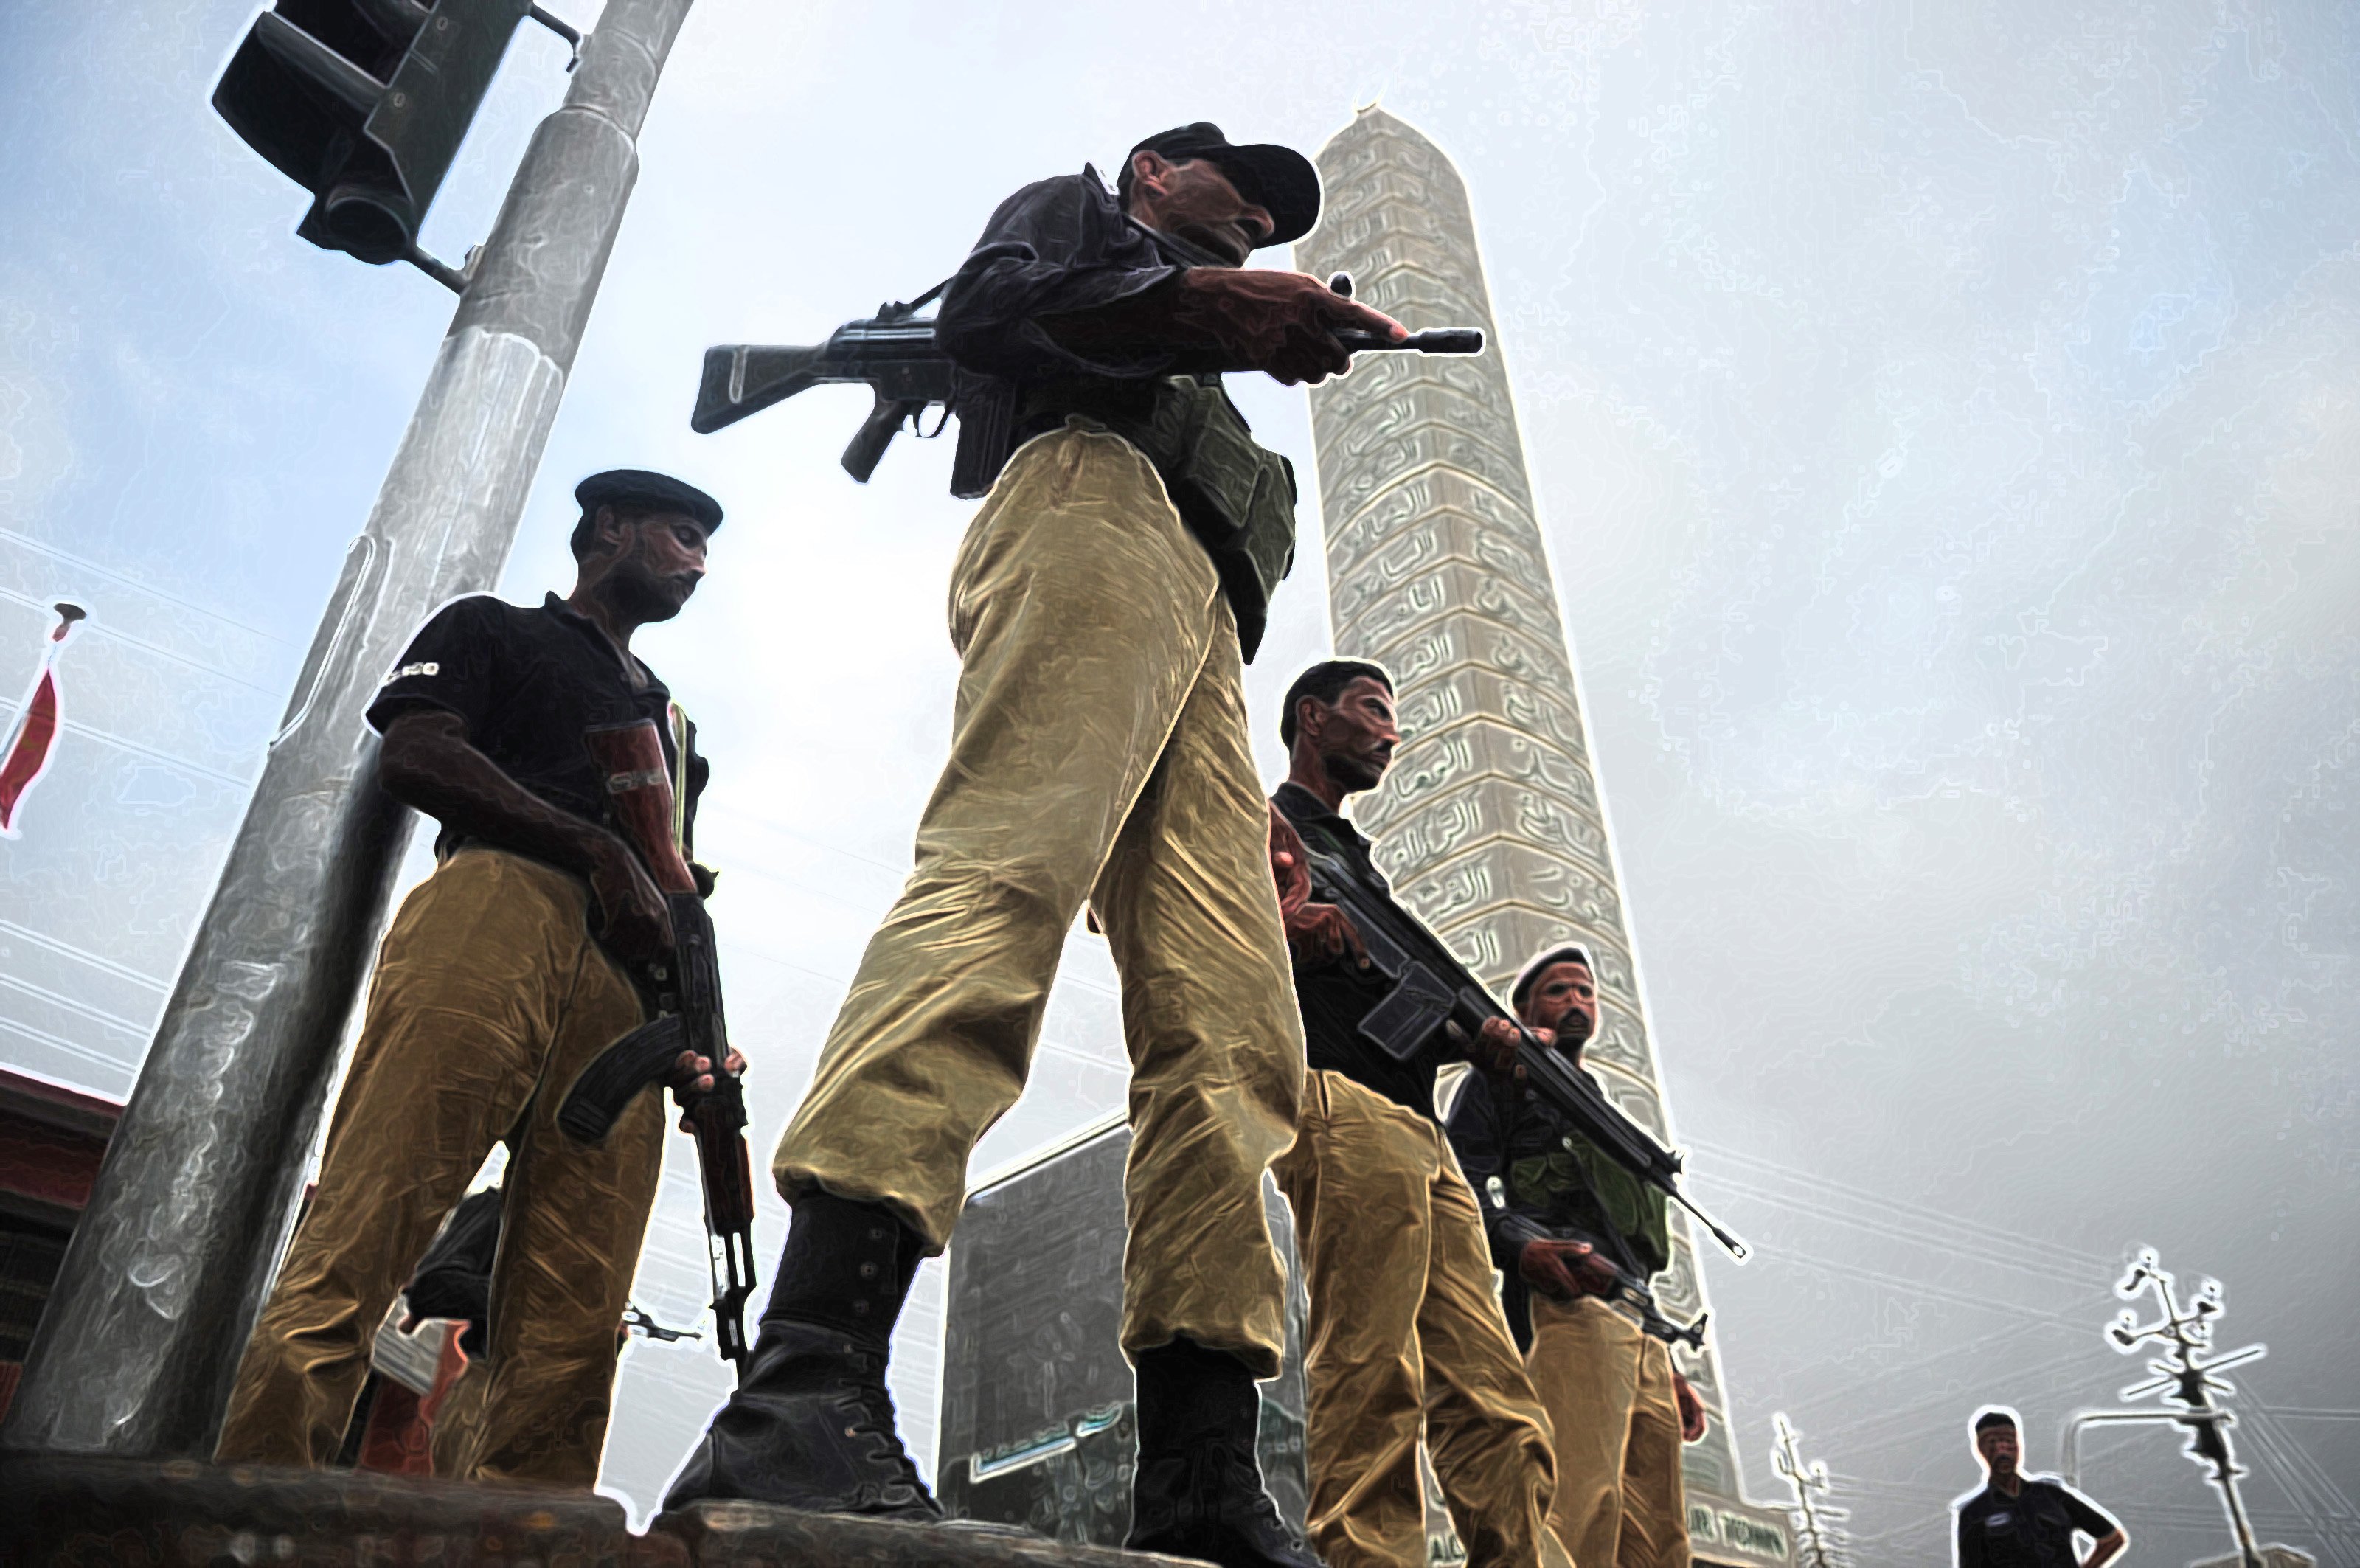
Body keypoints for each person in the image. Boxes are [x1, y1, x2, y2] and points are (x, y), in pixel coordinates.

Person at [662, 125, 1403, 1568]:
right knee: (1003, 881)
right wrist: (1214, 310)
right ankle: (803, 1383)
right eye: (1232, 184)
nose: (1254, 210)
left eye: (1269, 210)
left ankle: (1200, 1467)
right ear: (1148, 172)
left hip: (1203, 637)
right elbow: (985, 314)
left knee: (1237, 1025)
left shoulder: (1190, 329)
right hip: (1091, 513)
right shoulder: (1073, 219)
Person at [215, 470, 733, 1487]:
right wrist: (590, 846)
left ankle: (516, 1536)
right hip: (497, 912)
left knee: (576, 1323)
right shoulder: (497, 630)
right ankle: (253, 1512)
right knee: (364, 1234)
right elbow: (417, 753)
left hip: (626, 1000)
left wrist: (698, 1032)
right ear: (607, 531)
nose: (697, 562)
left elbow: (672, 890)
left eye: (706, 547)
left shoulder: (678, 734)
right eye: (678, 535)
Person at [1266, 659, 1561, 1568]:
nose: (1390, 733)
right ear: (1311, 719)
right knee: (1370, 1362)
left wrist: (1479, 1037)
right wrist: (1290, 920)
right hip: (1339, 1105)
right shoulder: (1266, 828)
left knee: (1491, 1390)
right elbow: (1204, 923)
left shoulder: (1353, 860)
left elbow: (1394, 998)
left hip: (1417, 1129)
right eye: (1371, 711)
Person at [1446, 946, 1707, 1568]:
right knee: (1576, 1508)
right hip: (1566, 1311)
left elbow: (1623, 1240)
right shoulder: (1501, 1078)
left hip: (1636, 1327)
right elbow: (1458, 1184)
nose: (1575, 1003)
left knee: (1658, 1538)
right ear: (1523, 1007)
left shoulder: (1598, 1107)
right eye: (1558, 991)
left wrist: (1663, 1357)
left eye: (1585, 992)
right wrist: (1522, 1246)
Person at [1954, 1408, 2127, 1567]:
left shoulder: (2052, 1496)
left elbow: (2112, 1539)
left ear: (2018, 1445)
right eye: (1993, 1443)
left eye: (2008, 1441)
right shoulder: (1974, 1513)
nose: (2002, 1450)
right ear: (1980, 1449)